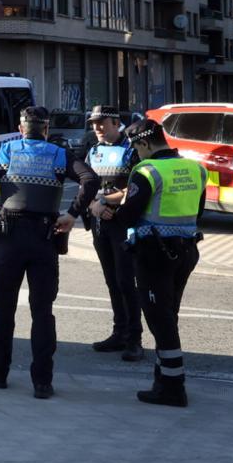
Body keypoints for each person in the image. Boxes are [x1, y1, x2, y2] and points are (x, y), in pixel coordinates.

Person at [0, 105, 100, 400]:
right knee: (42, 312)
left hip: (9, 237)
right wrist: (72, 214)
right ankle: (42, 382)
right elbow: (91, 180)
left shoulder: (4, 150)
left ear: (21, 129)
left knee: (3, 307)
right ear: (46, 129)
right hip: (44, 237)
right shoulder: (59, 154)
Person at [101, 118, 204, 407]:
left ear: (144, 143)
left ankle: (173, 387)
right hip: (186, 250)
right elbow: (200, 210)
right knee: (169, 314)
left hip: (154, 253)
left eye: (136, 147)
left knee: (160, 319)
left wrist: (107, 210)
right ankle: (164, 378)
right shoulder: (196, 168)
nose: (135, 153)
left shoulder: (147, 171)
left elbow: (129, 215)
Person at [81, 105, 144, 362]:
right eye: (94, 123)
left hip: (123, 223)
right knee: (112, 281)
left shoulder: (131, 150)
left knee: (126, 281)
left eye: (101, 122)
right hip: (99, 223)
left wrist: (106, 203)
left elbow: (137, 188)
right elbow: (85, 186)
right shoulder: (93, 152)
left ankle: (134, 340)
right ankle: (119, 333)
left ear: (115, 121)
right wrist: (93, 206)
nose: (97, 127)